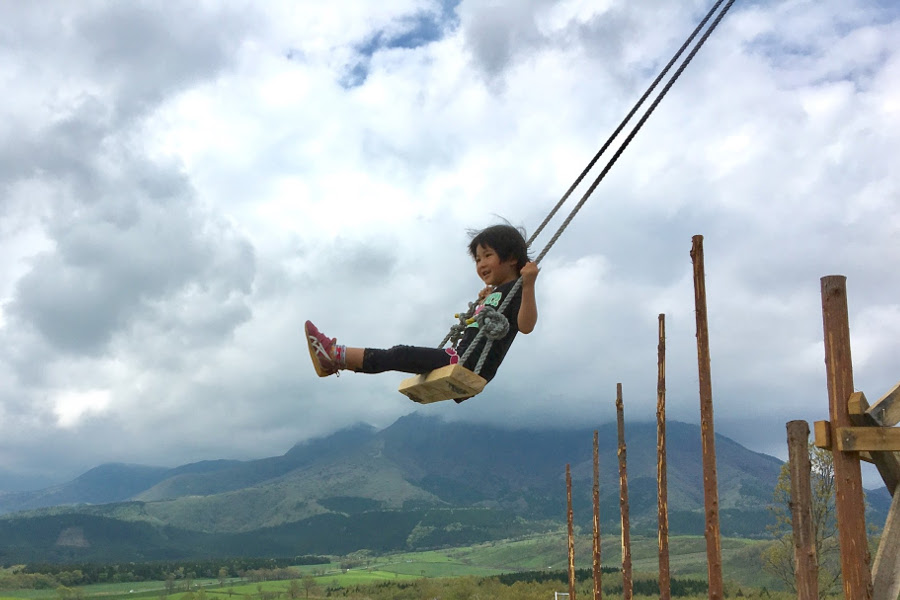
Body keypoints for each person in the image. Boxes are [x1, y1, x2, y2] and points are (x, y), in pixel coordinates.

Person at [304, 223, 539, 400]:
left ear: (511, 258)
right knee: (399, 356)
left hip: (468, 365)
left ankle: (335, 355)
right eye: (477, 259)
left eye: (488, 256)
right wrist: (483, 306)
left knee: (400, 354)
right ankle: (334, 361)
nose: (481, 264)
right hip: (461, 358)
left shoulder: (518, 289)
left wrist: (528, 284)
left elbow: (526, 326)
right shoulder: (498, 293)